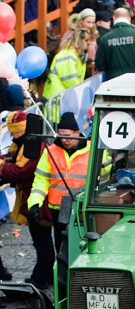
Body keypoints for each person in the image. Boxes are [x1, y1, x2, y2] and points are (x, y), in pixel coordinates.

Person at [26, 113, 92, 289]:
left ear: (78, 133)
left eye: (68, 136)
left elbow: (104, 178)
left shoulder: (92, 151)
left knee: (84, 249)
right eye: (61, 136)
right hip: (59, 212)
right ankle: (64, 288)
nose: (64, 140)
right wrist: (34, 203)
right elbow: (41, 181)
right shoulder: (50, 152)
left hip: (84, 210)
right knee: (62, 251)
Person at [95, 5, 135, 79]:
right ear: (129, 19)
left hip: (115, 79)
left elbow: (100, 63)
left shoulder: (105, 38)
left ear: (114, 18)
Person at [42, 28, 90, 103]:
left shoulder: (77, 56)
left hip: (63, 99)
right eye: (86, 40)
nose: (89, 43)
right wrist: (81, 91)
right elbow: (70, 81)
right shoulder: (68, 56)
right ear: (78, 41)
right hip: (57, 101)